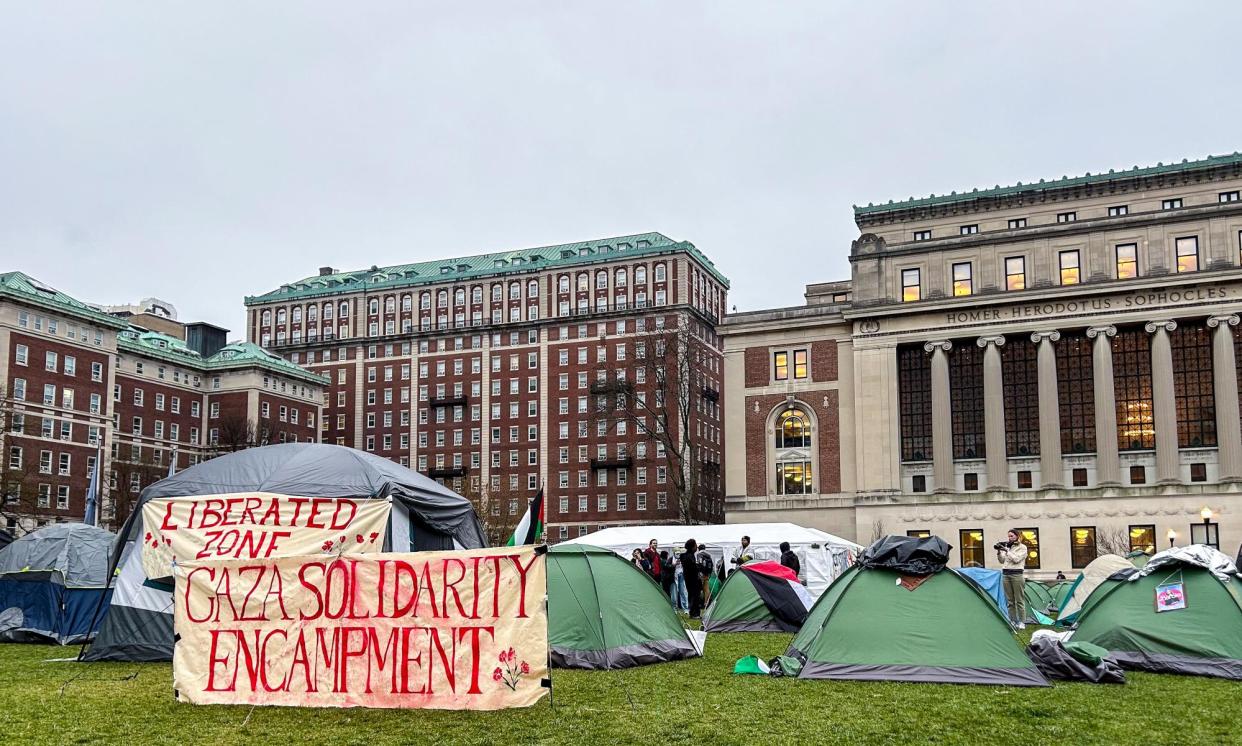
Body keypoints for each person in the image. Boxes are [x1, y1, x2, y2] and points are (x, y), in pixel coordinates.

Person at [996, 529, 1030, 629]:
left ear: (1017, 536)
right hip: (1006, 574)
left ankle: (1022, 622)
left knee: (1019, 600)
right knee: (1010, 601)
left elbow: (1016, 559)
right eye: (1008, 536)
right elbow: (1002, 561)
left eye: (1011, 536)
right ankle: (1013, 621)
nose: (1009, 538)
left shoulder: (1022, 547)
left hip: (1017, 575)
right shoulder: (1008, 547)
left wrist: (1007, 551)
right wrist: (999, 552)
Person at [680, 539, 703, 618]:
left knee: (694, 596)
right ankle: (694, 613)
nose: (696, 547)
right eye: (695, 545)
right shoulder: (688, 556)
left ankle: (694, 613)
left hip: (690, 579)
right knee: (694, 596)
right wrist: (698, 566)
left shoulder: (688, 555)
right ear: (692, 546)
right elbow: (692, 568)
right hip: (692, 579)